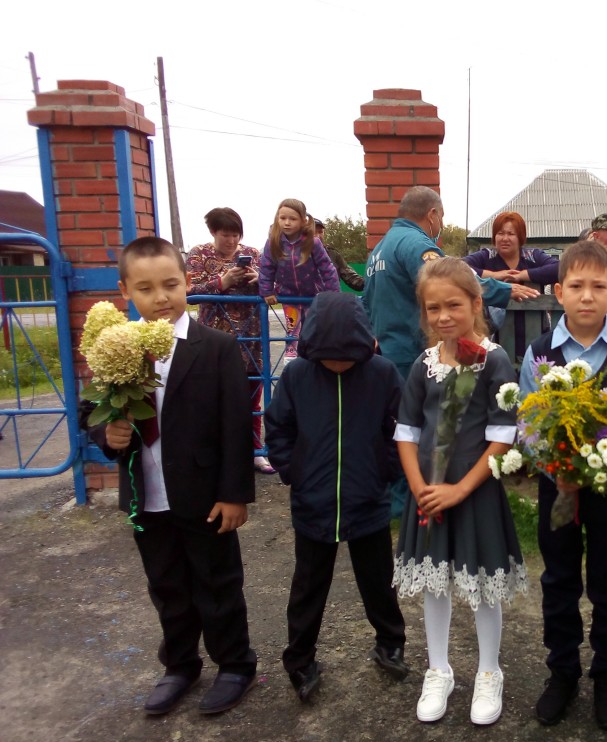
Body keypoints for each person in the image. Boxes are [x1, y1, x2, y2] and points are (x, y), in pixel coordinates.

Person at [89, 236, 258, 716]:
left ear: (186, 282)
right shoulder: (115, 349)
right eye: (145, 289)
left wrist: (235, 494)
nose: (160, 297)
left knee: (217, 583)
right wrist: (108, 434)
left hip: (204, 495)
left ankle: (235, 665)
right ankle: (180, 666)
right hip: (147, 495)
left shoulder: (217, 347)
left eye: (170, 285)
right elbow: (92, 411)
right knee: (166, 586)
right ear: (125, 291)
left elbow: (235, 425)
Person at [392, 258, 529, 725]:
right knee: (435, 585)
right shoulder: (423, 364)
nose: (443, 316)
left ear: (475, 303)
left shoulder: (495, 360)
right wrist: (420, 488)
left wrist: (460, 488)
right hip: (430, 496)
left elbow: (502, 436)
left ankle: (489, 671)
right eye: (433, 308)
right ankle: (439, 669)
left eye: (453, 305)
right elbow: (407, 431)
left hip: (476, 494)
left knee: (483, 586)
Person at [518, 240, 607, 731]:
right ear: (558, 292)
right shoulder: (540, 353)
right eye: (576, 286)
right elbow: (528, 425)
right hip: (560, 489)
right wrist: (556, 468)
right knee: (559, 578)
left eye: (597, 286)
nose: (587, 296)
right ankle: (563, 671)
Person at [265, 292, 409, 703]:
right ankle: (300, 659)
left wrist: (386, 471)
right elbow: (278, 428)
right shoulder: (297, 376)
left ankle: (390, 643)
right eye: (330, 360)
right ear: (313, 349)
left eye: (348, 359)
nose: (339, 365)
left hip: (369, 501)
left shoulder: (381, 373)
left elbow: (399, 428)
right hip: (313, 503)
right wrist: (293, 470)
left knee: (379, 581)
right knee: (308, 586)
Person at [364, 186, 539, 381]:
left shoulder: (379, 249)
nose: (442, 225)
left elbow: (366, 301)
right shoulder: (416, 244)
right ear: (432, 215)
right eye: (441, 217)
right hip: (411, 354)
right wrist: (504, 290)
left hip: (385, 353)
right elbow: (452, 280)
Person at [186, 207, 275, 474]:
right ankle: (218, 454)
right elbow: (189, 291)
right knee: (214, 397)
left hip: (251, 337)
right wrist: (221, 282)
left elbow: (272, 286)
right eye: (226, 235)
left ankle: (256, 451)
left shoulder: (254, 254)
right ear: (213, 232)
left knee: (252, 396)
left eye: (236, 235)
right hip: (215, 338)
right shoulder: (198, 254)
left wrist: (260, 280)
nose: (232, 240)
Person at [464, 211, 559, 354]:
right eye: (500, 233)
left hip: (536, 335)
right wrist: (495, 275)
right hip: (495, 339)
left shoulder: (533, 256)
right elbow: (460, 268)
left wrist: (523, 275)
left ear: (520, 237)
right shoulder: (487, 256)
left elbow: (560, 268)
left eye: (511, 234)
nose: (505, 238)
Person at [258, 199, 340, 360]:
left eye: (293, 219)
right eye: (283, 218)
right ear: (277, 219)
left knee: (313, 326)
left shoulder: (312, 242)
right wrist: (267, 291)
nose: (287, 223)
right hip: (288, 294)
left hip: (312, 294)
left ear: (303, 221)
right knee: (292, 326)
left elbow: (327, 268)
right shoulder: (273, 242)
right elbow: (267, 268)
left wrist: (333, 294)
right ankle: (291, 352)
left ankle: (314, 354)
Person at [313, 218, 365, 292]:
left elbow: (351, 277)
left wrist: (370, 283)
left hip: (330, 297)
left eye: (320, 232)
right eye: (313, 232)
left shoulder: (333, 254)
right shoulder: (297, 255)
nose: (318, 236)